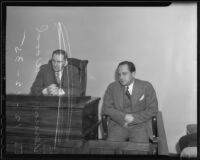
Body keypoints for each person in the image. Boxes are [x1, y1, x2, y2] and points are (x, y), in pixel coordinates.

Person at [102, 61, 158, 143]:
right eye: (119, 74)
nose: (121, 77)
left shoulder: (146, 87)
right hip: (118, 124)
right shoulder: (112, 87)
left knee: (139, 150)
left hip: (140, 125)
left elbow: (153, 109)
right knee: (110, 148)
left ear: (133, 73)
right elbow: (106, 108)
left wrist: (134, 118)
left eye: (124, 74)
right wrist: (124, 117)